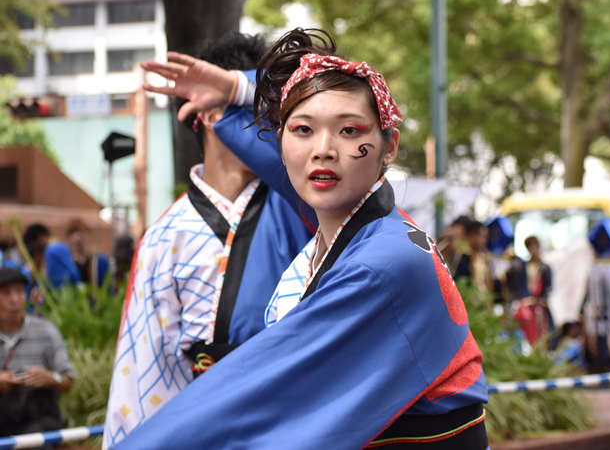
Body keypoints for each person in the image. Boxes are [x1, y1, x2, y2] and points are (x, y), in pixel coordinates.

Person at [113, 28, 488, 450]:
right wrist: (235, 88)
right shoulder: (353, 235)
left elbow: (259, 383)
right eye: (303, 131)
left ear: (388, 147)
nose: (323, 149)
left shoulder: (382, 261)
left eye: (350, 131)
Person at [102, 32, 312, 448]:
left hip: (306, 416)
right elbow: (145, 369)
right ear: (212, 114)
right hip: (214, 428)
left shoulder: (309, 199)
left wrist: (239, 86)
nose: (278, 122)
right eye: (264, 107)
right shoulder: (166, 236)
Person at [0, 268, 73, 445]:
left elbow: (68, 381)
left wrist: (50, 377)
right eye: (6, 293)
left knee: (37, 438)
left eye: (19, 292)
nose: (15, 300)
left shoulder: (46, 331)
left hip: (38, 419)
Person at [22, 224, 80, 304]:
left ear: (41, 238)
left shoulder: (52, 251)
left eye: (35, 249)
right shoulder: (60, 246)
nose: (35, 253)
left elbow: (55, 283)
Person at [65, 218, 109, 287]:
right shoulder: (67, 260)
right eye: (73, 234)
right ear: (69, 237)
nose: (78, 238)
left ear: (88, 235)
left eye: (81, 233)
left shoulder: (97, 260)